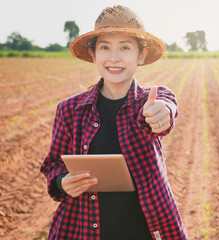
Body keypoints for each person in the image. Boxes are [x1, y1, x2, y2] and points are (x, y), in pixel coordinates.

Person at [40, 5, 188, 240]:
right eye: (105, 47)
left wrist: (161, 113)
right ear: (93, 55)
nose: (114, 58)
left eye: (125, 48)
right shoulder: (69, 110)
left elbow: (165, 107)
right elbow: (53, 163)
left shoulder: (150, 102)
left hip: (143, 230)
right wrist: (62, 181)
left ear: (141, 55)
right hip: (82, 229)